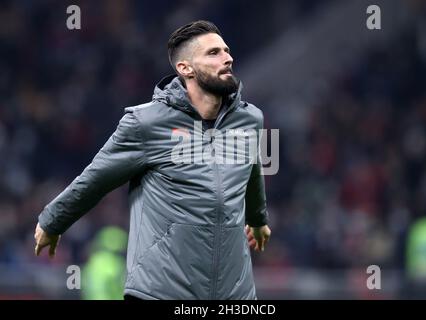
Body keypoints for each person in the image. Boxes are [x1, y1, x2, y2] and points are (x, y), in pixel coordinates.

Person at [34, 20, 271, 300]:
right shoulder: (147, 123)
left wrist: (257, 219)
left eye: (227, 51)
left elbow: (251, 169)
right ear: (186, 68)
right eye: (214, 53)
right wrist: (53, 221)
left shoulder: (249, 120)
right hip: (161, 290)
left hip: (235, 294)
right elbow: (95, 179)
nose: (228, 58)